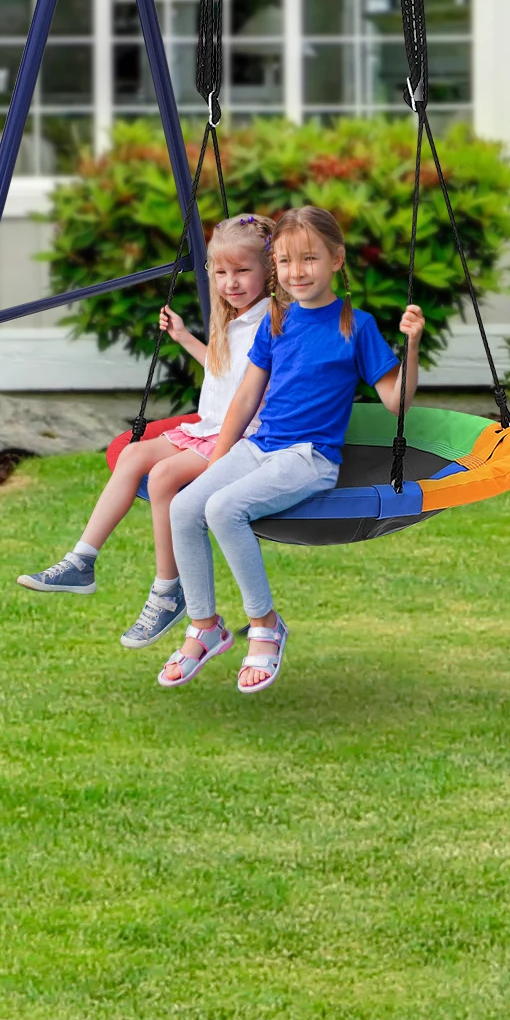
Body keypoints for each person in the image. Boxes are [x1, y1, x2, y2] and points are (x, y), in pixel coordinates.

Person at [160, 204, 425, 694]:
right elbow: (245, 397)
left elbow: (396, 402)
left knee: (223, 509)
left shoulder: (356, 325)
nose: (295, 272)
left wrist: (411, 345)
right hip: (258, 446)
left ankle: (265, 624)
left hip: (310, 457)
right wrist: (218, 460)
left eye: (309, 260)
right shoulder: (277, 320)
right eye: (284, 262)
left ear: (336, 260)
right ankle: (205, 625)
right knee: (183, 506)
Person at [15, 214, 283, 650]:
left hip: (240, 436)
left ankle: (167, 591)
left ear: (268, 272)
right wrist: (184, 338)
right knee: (132, 456)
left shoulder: (272, 319)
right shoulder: (233, 318)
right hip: (208, 426)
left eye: (242, 271)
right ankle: (81, 561)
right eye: (220, 272)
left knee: (161, 477)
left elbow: (254, 390)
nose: (230, 282)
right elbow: (225, 373)